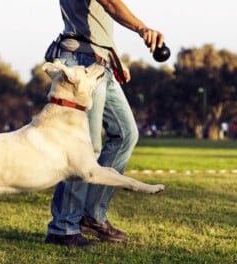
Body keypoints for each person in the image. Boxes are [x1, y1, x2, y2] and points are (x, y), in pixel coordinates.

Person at [45, 0, 165, 246]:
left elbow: (95, 20)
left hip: (100, 61)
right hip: (81, 62)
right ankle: (64, 227)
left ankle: (92, 216)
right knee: (85, 149)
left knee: (126, 134)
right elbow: (110, 3)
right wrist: (142, 29)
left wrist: (113, 56)